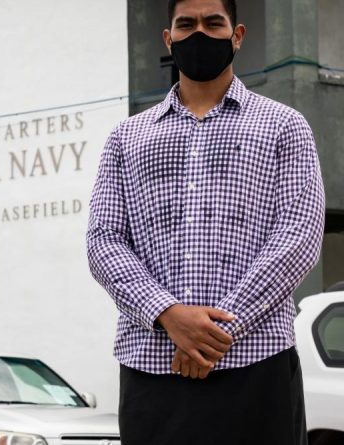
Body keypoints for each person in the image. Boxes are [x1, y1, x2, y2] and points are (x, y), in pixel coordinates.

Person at [86, 0, 323, 444]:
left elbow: (299, 235)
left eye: (214, 23)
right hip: (152, 369)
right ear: (168, 38)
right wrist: (167, 314)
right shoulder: (126, 138)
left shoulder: (284, 127)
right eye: (186, 24)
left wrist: (214, 333)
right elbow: (104, 241)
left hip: (256, 366)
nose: (199, 34)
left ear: (237, 36)